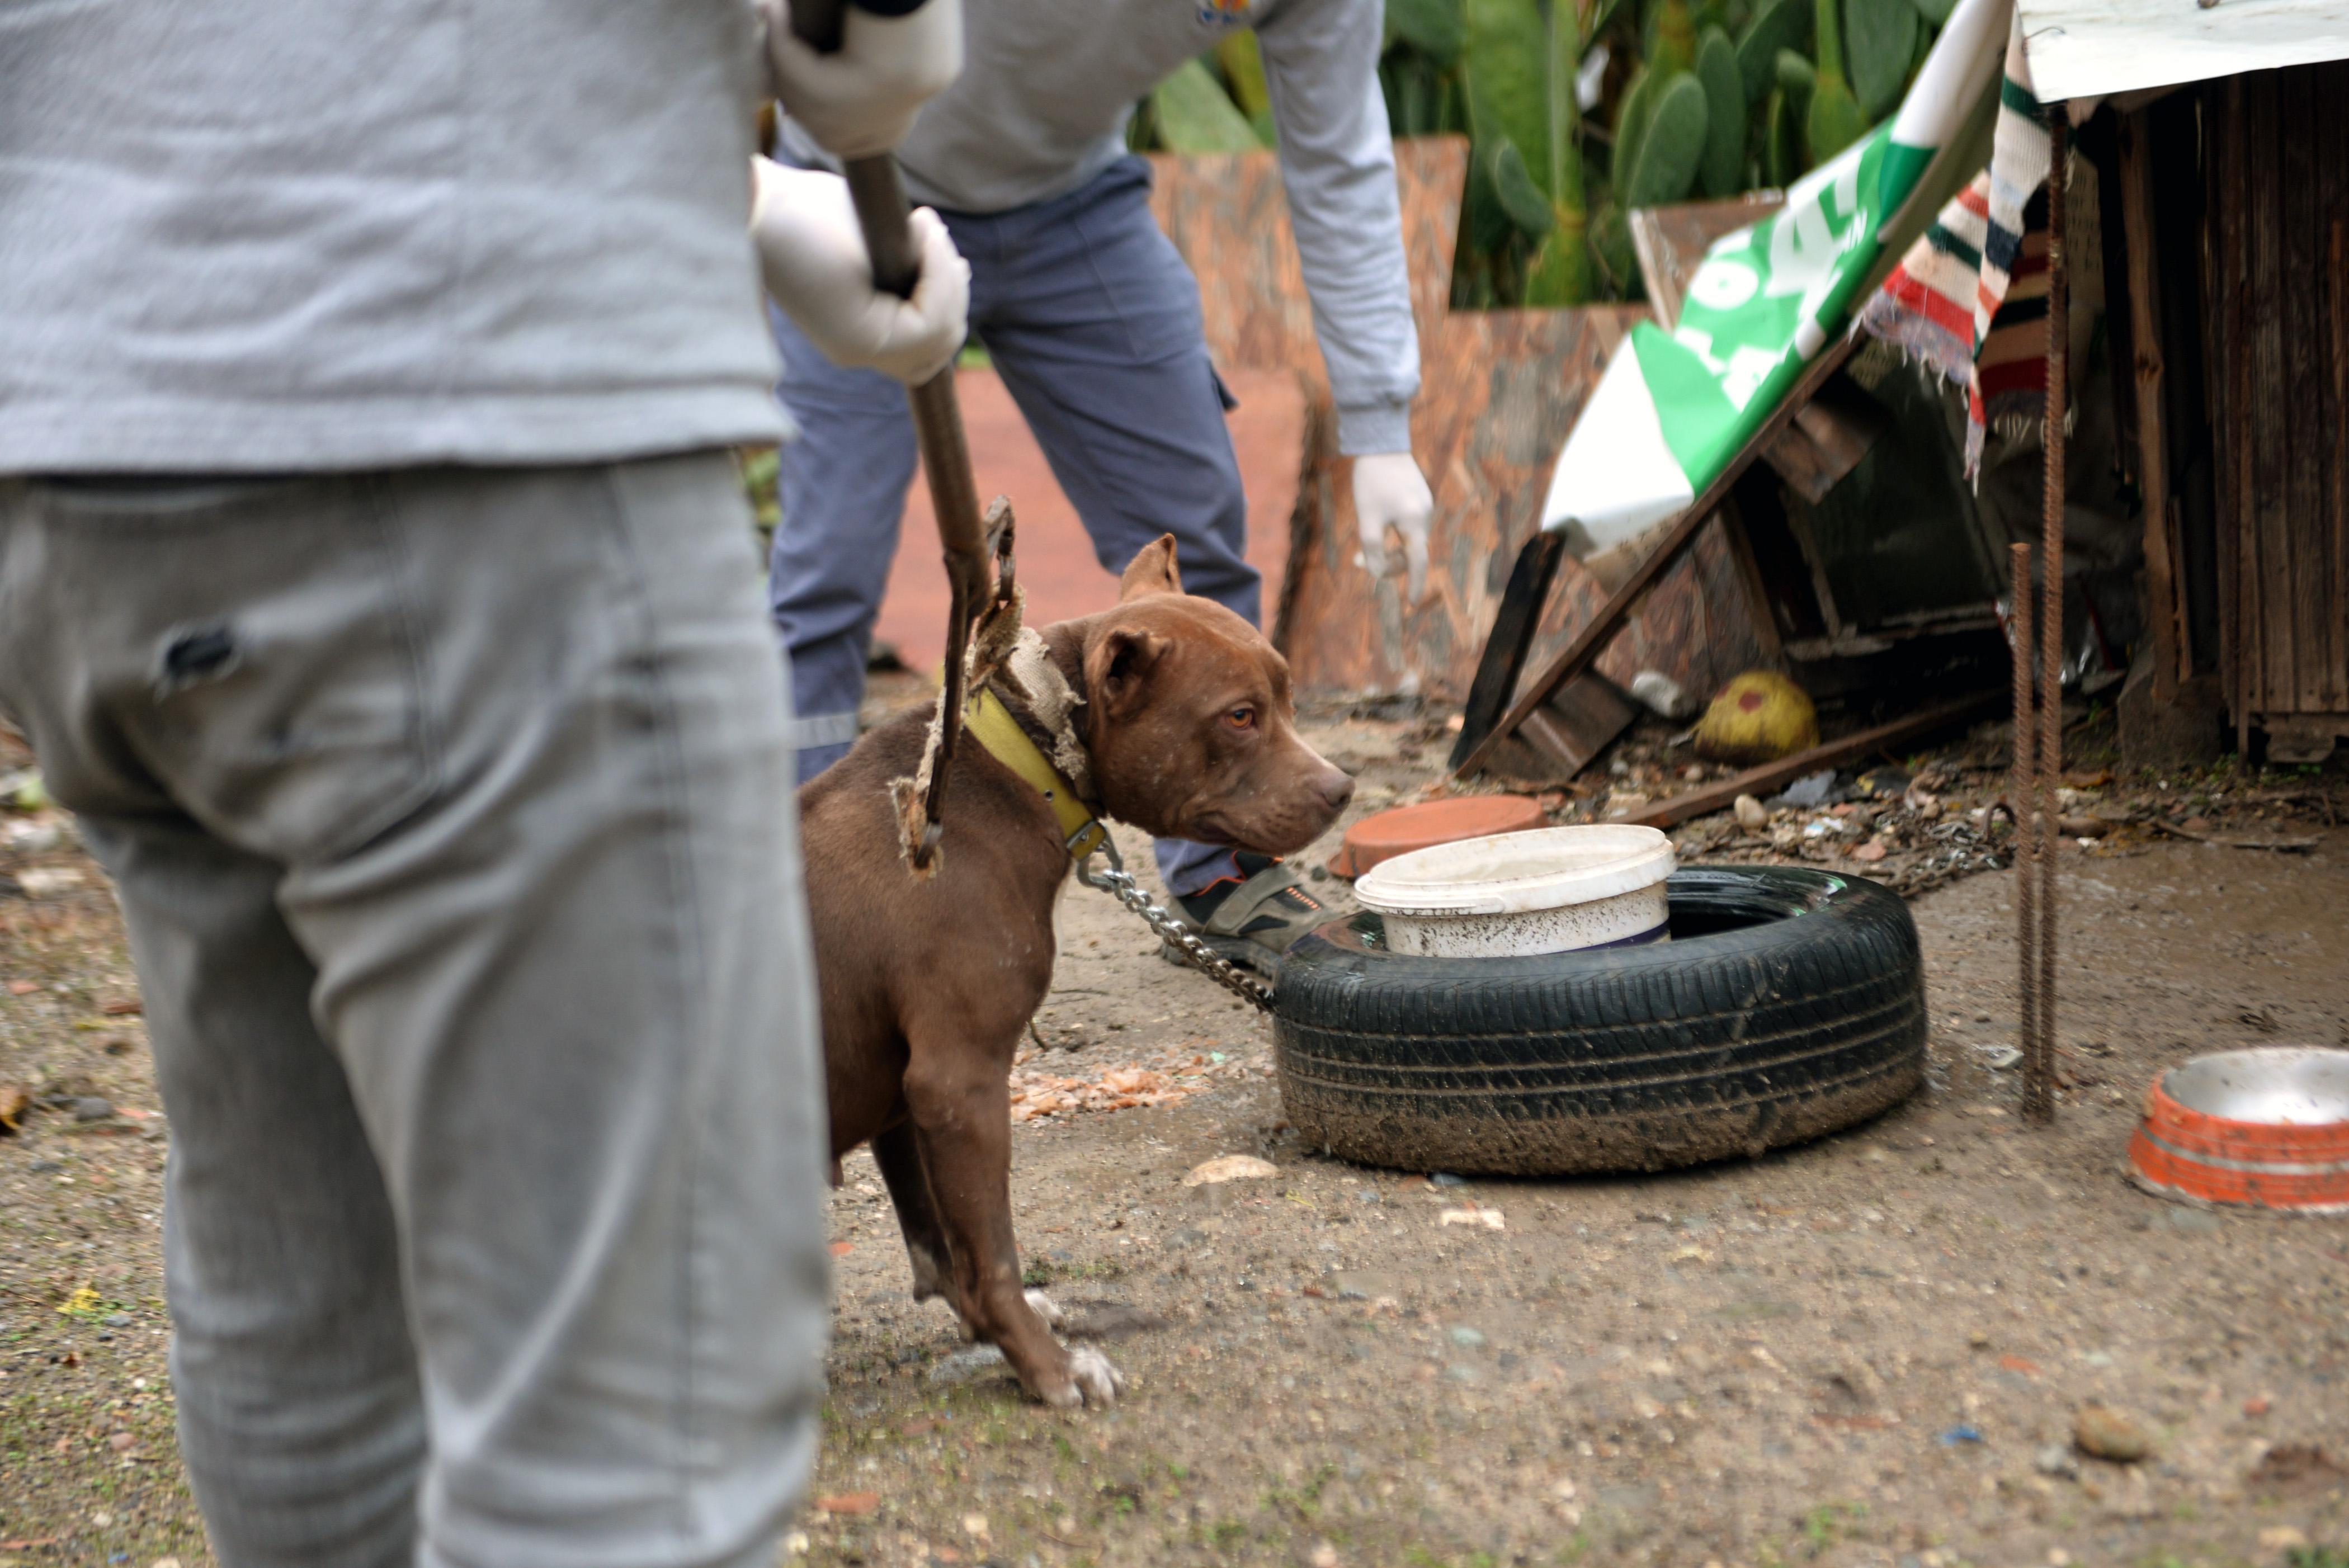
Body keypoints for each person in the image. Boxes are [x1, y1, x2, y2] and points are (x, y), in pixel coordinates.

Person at [0, 2, 965, 1563]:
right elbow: (872, 39)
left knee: (313, 1308)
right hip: (474, 424)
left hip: (72, 443)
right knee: (632, 1423)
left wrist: (746, 206)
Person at [765, 0, 1435, 970]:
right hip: (854, 186)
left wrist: (1379, 424)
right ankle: (798, 902)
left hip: (1067, 201)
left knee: (1190, 540)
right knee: (826, 573)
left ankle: (1221, 869)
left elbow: (1339, 158)